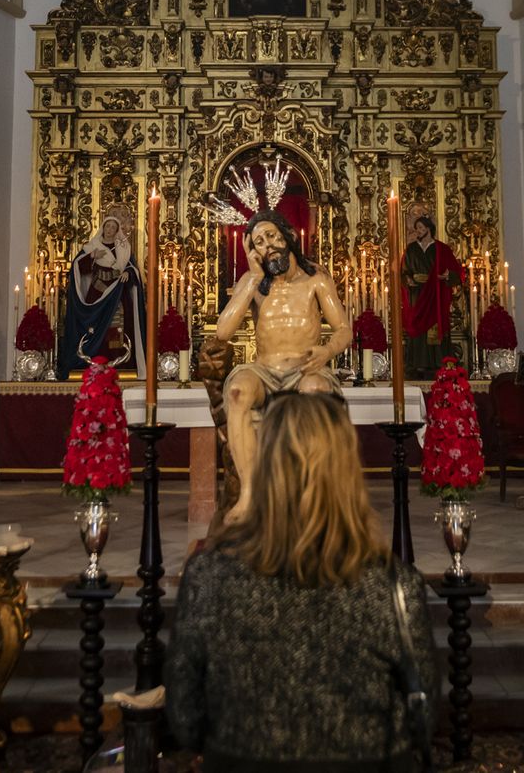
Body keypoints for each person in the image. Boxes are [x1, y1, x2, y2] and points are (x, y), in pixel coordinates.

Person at [165, 392, 438, 771]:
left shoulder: (210, 576)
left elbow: (184, 718)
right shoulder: (392, 586)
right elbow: (423, 713)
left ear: (263, 465)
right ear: (347, 470)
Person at [201, 209, 352, 523]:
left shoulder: (316, 279)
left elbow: (344, 329)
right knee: (240, 390)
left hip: (306, 368)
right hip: (264, 369)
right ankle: (249, 495)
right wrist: (253, 277)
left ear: (288, 236)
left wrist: (326, 353)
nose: (267, 245)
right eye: (258, 242)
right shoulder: (253, 282)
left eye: (271, 236)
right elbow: (223, 332)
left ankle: (313, 496)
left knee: (315, 390)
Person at [56, 215, 148, 379]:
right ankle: (95, 360)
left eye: (113, 227)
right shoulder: (93, 246)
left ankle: (119, 362)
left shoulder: (123, 248)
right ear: (103, 228)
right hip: (98, 291)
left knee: (117, 326)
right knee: (96, 325)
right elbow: (77, 267)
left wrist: (128, 272)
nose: (110, 230)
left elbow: (133, 270)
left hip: (118, 293)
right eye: (107, 226)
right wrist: (92, 257)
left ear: (117, 230)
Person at [401, 216, 463, 378]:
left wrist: (447, 275)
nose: (418, 232)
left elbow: (456, 271)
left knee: (433, 328)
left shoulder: (441, 249)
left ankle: (436, 363)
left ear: (429, 229)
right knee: (418, 327)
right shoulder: (411, 249)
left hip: (434, 293)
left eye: (421, 228)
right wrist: (408, 279)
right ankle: (417, 364)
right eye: (417, 229)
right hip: (417, 294)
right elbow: (404, 270)